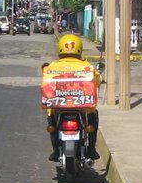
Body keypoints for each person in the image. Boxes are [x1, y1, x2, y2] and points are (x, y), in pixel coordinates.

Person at [43, 33, 102, 162]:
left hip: (58, 107)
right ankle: (91, 149)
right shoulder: (87, 67)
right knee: (93, 119)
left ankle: (55, 150)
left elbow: (46, 84)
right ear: (79, 49)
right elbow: (97, 80)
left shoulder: (51, 67)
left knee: (52, 125)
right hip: (83, 108)